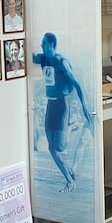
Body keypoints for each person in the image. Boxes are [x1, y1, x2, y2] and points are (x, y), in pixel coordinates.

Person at [32, 32, 93, 193]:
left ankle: (71, 129)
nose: (41, 46)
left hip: (62, 105)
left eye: (44, 43)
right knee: (52, 149)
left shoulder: (61, 62)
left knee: (59, 145)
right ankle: (69, 179)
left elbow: (77, 85)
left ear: (52, 44)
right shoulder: (42, 58)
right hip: (50, 106)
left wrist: (84, 106)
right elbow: (28, 56)